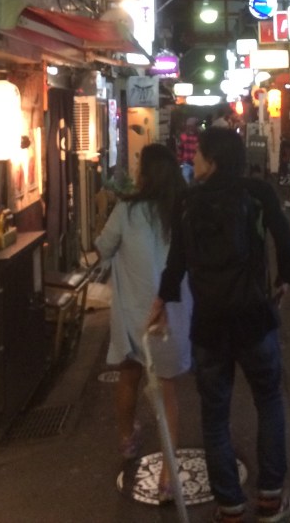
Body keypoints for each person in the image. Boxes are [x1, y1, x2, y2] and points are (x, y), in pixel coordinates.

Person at [148, 127, 290, 523]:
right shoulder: (257, 193)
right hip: (254, 319)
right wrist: (285, 277)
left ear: (212, 162)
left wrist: (161, 300)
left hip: (209, 325)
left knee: (214, 414)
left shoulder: (187, 202)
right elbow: (288, 241)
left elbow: (176, 261)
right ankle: (270, 497)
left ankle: (229, 505)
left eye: (197, 156)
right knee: (268, 401)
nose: (192, 161)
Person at [95, 143, 192, 502]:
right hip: (167, 311)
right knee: (167, 390)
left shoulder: (126, 211)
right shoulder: (181, 211)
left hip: (134, 309)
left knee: (129, 374)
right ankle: (168, 477)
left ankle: (126, 438)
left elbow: (103, 248)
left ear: (147, 174)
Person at [177, 115, 200, 183]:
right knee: (185, 179)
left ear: (195, 126)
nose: (190, 127)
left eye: (191, 126)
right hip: (187, 162)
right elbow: (180, 148)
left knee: (198, 181)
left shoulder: (199, 136)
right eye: (188, 126)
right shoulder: (183, 136)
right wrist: (179, 160)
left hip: (197, 163)